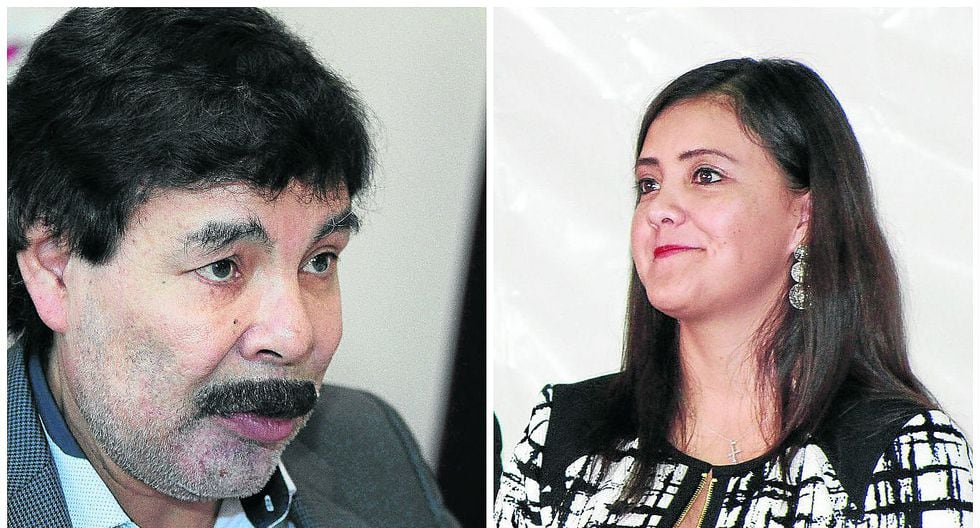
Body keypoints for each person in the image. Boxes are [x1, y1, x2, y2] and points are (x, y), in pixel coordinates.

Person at [8, 8, 458, 528]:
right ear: (56, 272)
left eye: (319, 261)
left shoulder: (369, 445)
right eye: (222, 268)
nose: (295, 336)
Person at [494, 58, 972, 527]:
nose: (660, 209)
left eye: (706, 175)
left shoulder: (901, 453)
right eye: (649, 183)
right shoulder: (565, 432)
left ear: (804, 218)